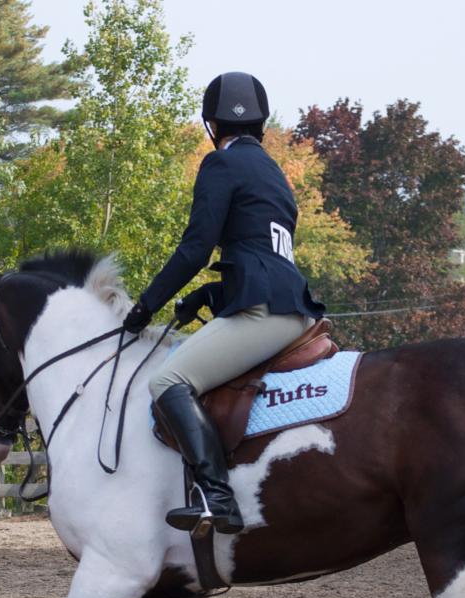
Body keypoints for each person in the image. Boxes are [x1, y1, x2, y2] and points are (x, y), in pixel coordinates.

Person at [123, 72, 324, 535]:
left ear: (211, 125)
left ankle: (217, 498)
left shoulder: (220, 165)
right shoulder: (274, 172)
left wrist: (146, 306)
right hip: (291, 305)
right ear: (261, 126)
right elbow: (262, 253)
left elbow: (196, 248)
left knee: (168, 378)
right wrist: (210, 294)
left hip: (264, 313)